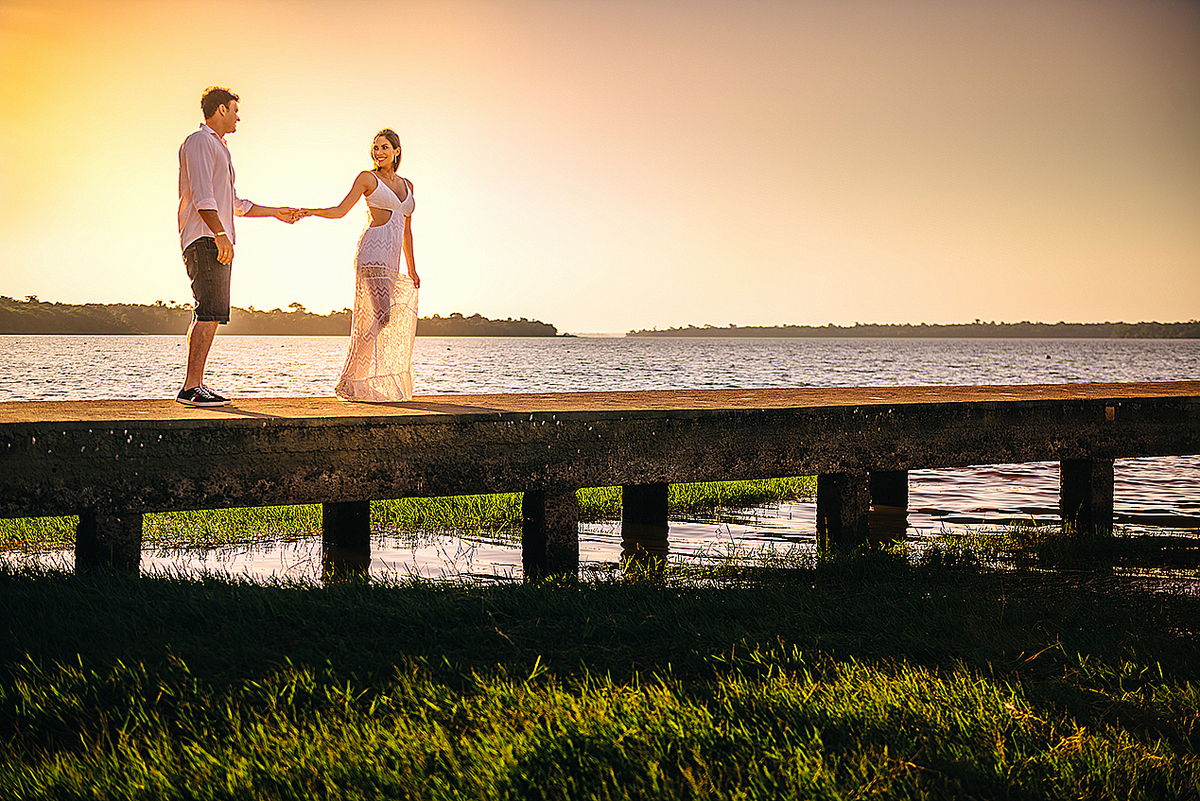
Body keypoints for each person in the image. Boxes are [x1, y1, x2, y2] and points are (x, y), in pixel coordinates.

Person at [177, 86, 298, 407]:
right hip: (205, 237)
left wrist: (275, 212)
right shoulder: (200, 142)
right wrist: (219, 234)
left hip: (214, 235)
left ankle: (195, 384)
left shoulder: (218, 147)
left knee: (211, 311)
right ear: (219, 110)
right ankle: (191, 387)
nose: (238, 116)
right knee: (210, 309)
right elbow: (203, 195)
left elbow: (235, 203)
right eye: (234, 110)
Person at [296, 129, 420, 402]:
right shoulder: (367, 178)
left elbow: (407, 232)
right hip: (372, 252)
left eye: (385, 147)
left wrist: (412, 268)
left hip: (393, 258)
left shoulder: (408, 185)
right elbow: (340, 210)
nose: (379, 152)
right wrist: (310, 211)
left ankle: (355, 380)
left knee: (383, 317)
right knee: (378, 316)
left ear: (397, 151)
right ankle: (352, 382)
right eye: (375, 148)